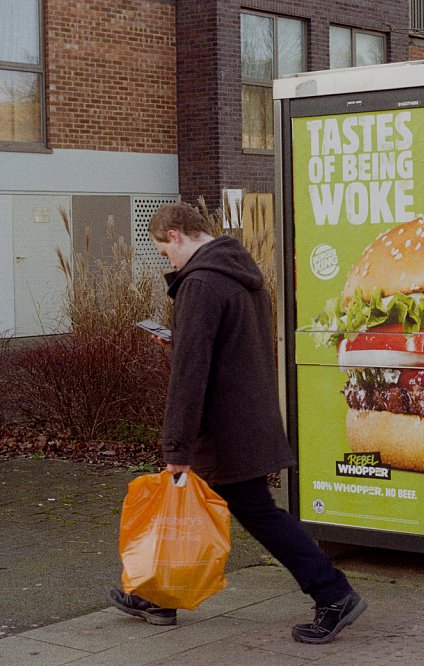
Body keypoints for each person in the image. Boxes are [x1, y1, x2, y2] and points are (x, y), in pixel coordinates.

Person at [108, 202, 366, 644]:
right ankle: (160, 597)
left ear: (175, 236)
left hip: (224, 428)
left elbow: (190, 375)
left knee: (256, 513)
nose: (167, 262)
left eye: (163, 252)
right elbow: (226, 349)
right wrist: (182, 339)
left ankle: (334, 593)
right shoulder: (239, 274)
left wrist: (176, 448)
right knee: (189, 508)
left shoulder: (201, 284)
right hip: (245, 416)